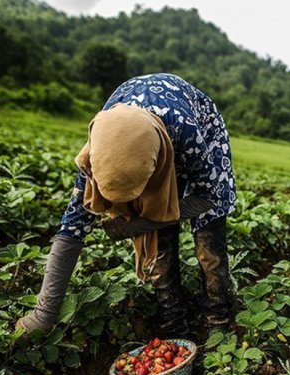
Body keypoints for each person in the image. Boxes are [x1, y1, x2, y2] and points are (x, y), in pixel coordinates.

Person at [16, 73, 236, 339]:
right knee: (160, 245)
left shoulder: (187, 131)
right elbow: (70, 231)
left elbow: (209, 197)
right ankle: (175, 326)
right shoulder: (97, 154)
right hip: (147, 143)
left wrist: (142, 222)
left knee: (208, 243)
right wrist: (44, 314)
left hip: (199, 132)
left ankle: (217, 320)